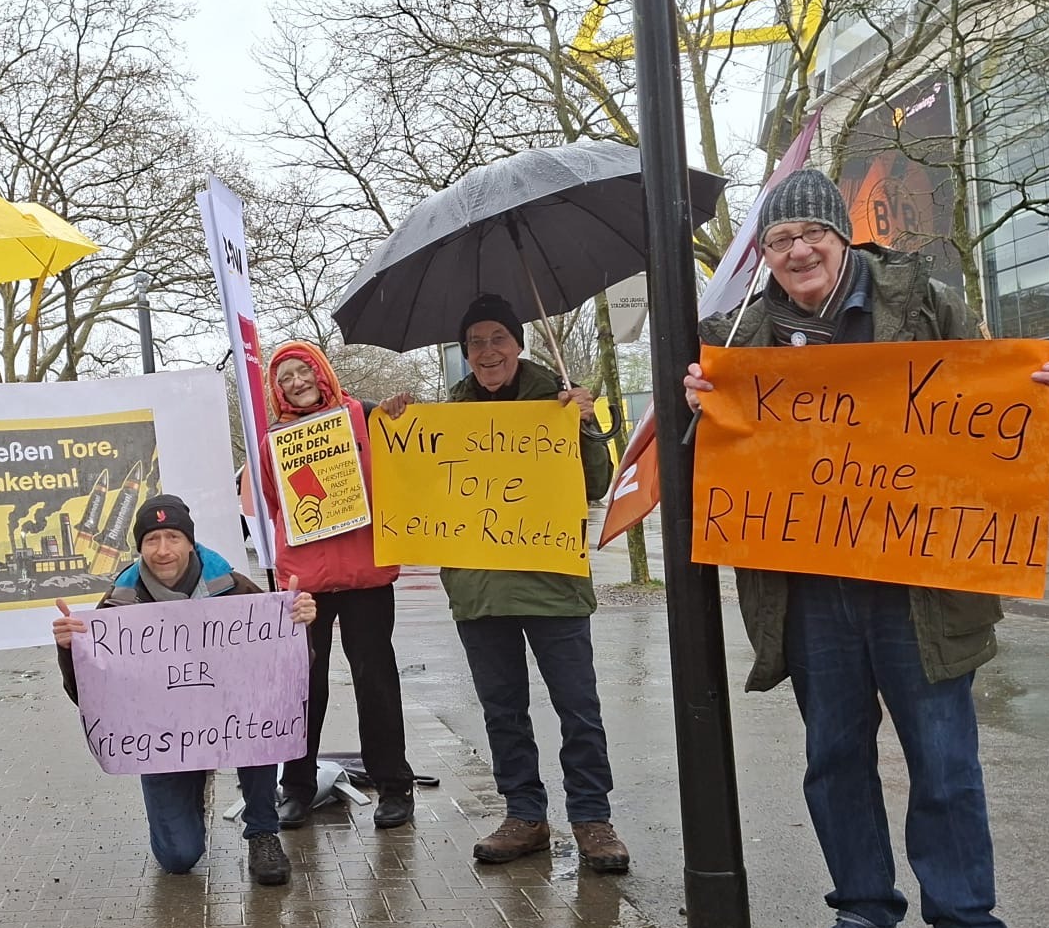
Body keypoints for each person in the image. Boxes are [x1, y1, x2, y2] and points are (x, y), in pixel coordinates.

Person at [684, 167, 1049, 928]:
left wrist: (1033, 389)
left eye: (810, 236)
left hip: (921, 584)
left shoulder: (921, 301)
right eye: (780, 241)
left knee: (943, 758)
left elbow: (990, 399)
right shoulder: (747, 337)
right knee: (833, 757)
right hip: (814, 586)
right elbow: (727, 453)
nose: (796, 252)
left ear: (841, 235)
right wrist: (702, 407)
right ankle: (865, 910)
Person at [382, 293, 627, 871]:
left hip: (555, 587)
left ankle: (592, 817)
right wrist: (395, 428)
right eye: (474, 342)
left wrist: (589, 426)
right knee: (503, 711)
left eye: (496, 338)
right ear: (464, 354)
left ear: (518, 343)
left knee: (579, 709)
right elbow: (411, 488)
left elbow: (597, 484)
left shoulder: (561, 404)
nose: (486, 351)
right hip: (481, 593)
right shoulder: (444, 417)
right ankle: (525, 815)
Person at [53, 495, 317, 885]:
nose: (163, 550)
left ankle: (263, 830)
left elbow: (284, 675)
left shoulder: (235, 588)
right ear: (139, 547)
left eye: (173, 537)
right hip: (164, 736)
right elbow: (90, 697)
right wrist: (69, 650)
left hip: (232, 717)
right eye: (152, 540)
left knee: (262, 727)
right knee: (178, 858)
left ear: (190, 542)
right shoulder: (117, 604)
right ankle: (191, 779)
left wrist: (299, 624)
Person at [260, 341, 415, 829]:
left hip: (366, 573)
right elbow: (272, 501)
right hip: (305, 581)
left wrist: (396, 414)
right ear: (275, 389)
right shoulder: (272, 441)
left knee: (377, 682)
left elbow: (406, 463)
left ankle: (394, 785)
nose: (296, 382)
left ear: (320, 371)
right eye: (284, 378)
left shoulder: (365, 417)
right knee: (304, 686)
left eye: (301, 371)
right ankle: (297, 788)